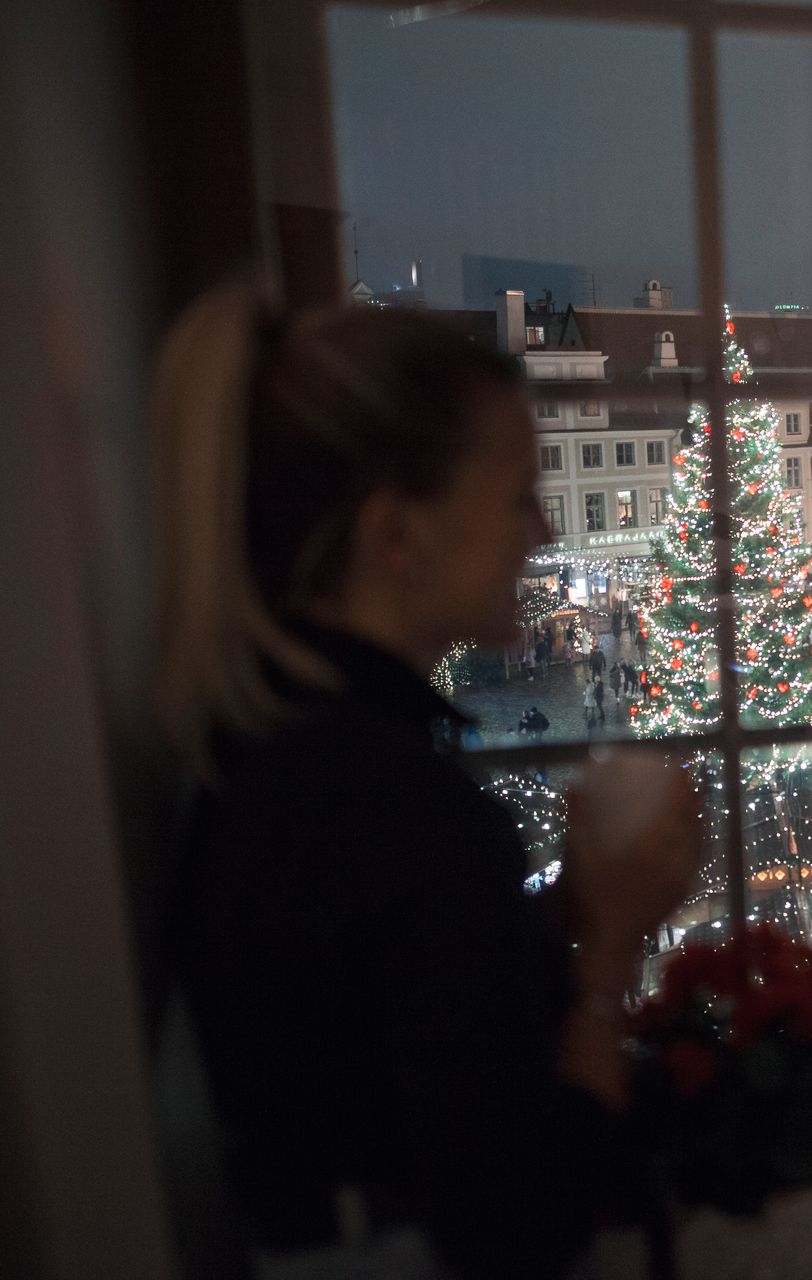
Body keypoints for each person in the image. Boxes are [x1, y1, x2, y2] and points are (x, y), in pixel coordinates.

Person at [155, 286, 700, 1279]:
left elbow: (393, 1025)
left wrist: (561, 910)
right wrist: (607, 954)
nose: (541, 529)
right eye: (515, 494)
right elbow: (526, 1222)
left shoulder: (279, 750)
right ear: (397, 534)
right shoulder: (397, 809)